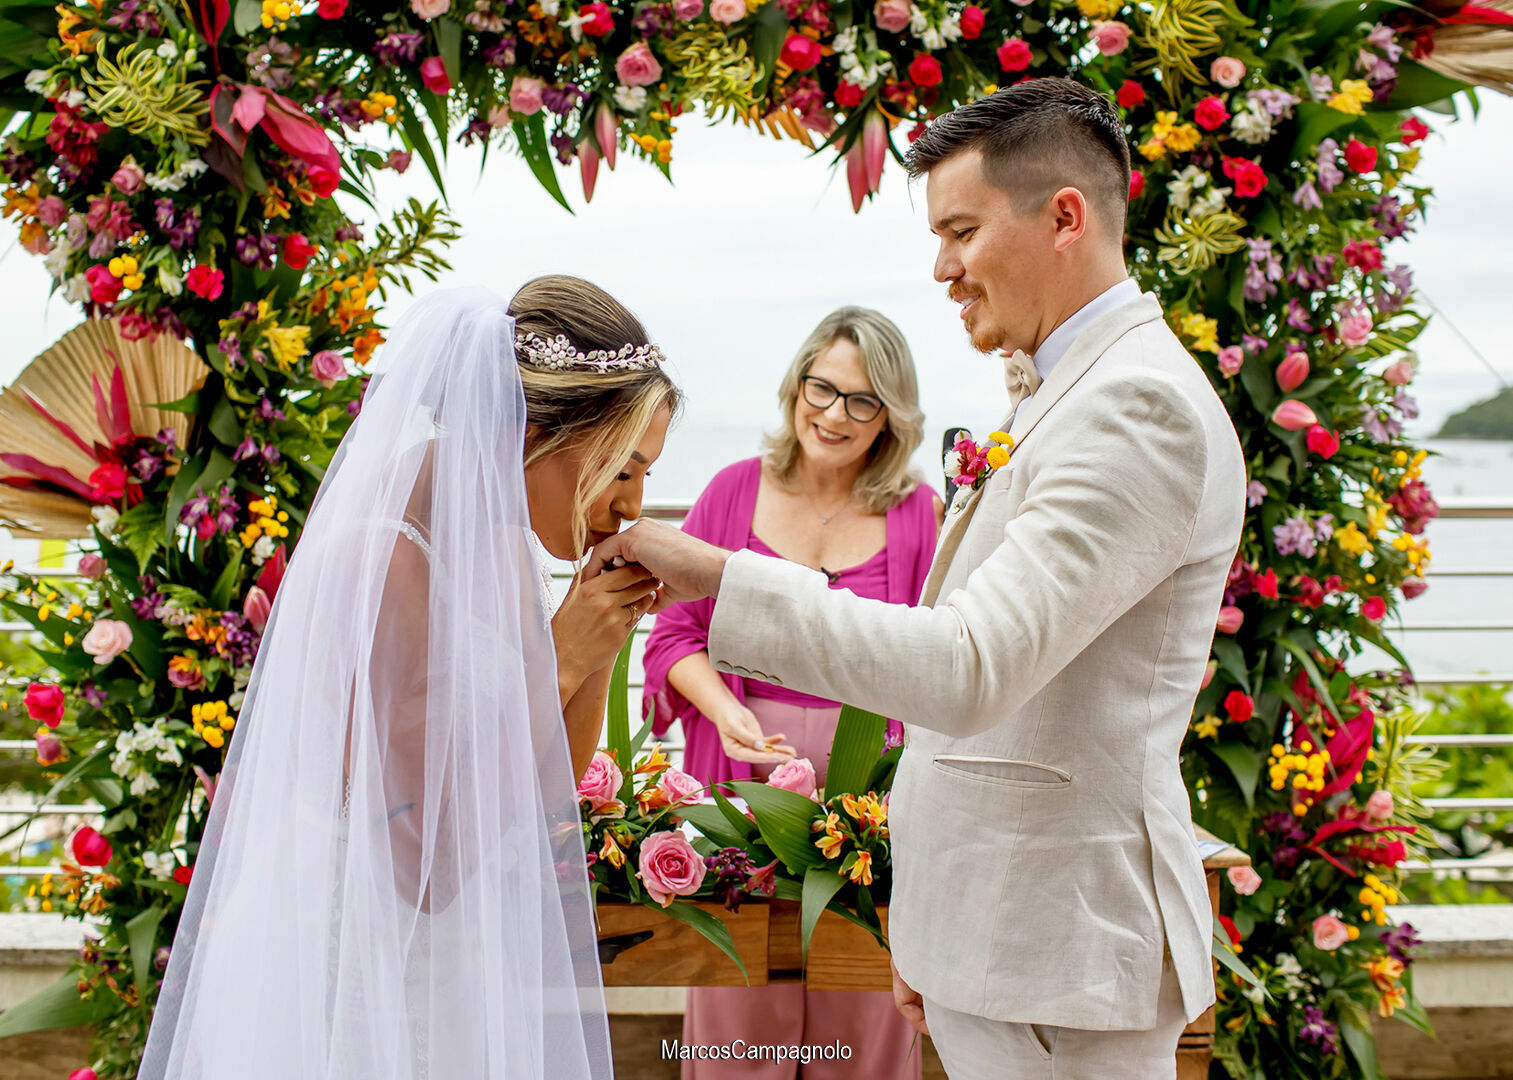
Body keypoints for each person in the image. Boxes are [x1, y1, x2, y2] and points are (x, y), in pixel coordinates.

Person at [588, 79, 1247, 1080]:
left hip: (1052, 960)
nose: (941, 268)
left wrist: (719, 575)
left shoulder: (1134, 407)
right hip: (999, 941)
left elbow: (967, 666)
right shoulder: (1071, 392)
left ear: (1064, 217)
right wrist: (932, 925)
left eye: (961, 232)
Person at [140, 278, 680, 1080]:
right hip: (358, 960)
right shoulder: (383, 560)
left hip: (455, 947)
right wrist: (564, 652)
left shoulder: (498, 541)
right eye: (620, 470)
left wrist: (599, 639)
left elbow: (546, 786)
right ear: (530, 432)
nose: (631, 508)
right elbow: (424, 863)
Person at [642, 307, 938, 1080]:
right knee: (741, 1022)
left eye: (862, 401)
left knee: (862, 1019)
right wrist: (724, 710)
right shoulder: (731, 492)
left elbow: (940, 660)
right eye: (822, 388)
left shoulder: (917, 513)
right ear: (796, 384)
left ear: (891, 416)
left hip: (869, 814)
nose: (834, 415)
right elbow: (673, 635)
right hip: (742, 793)